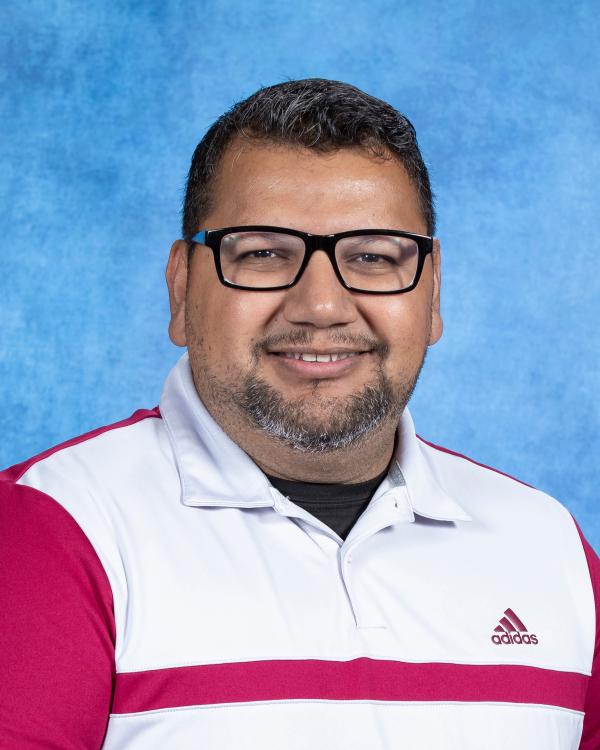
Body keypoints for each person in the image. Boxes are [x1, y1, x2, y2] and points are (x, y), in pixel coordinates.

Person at [1, 78, 598, 749]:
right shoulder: (52, 530)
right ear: (182, 289)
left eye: (372, 256)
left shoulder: (548, 546)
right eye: (262, 253)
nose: (321, 306)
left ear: (432, 296)